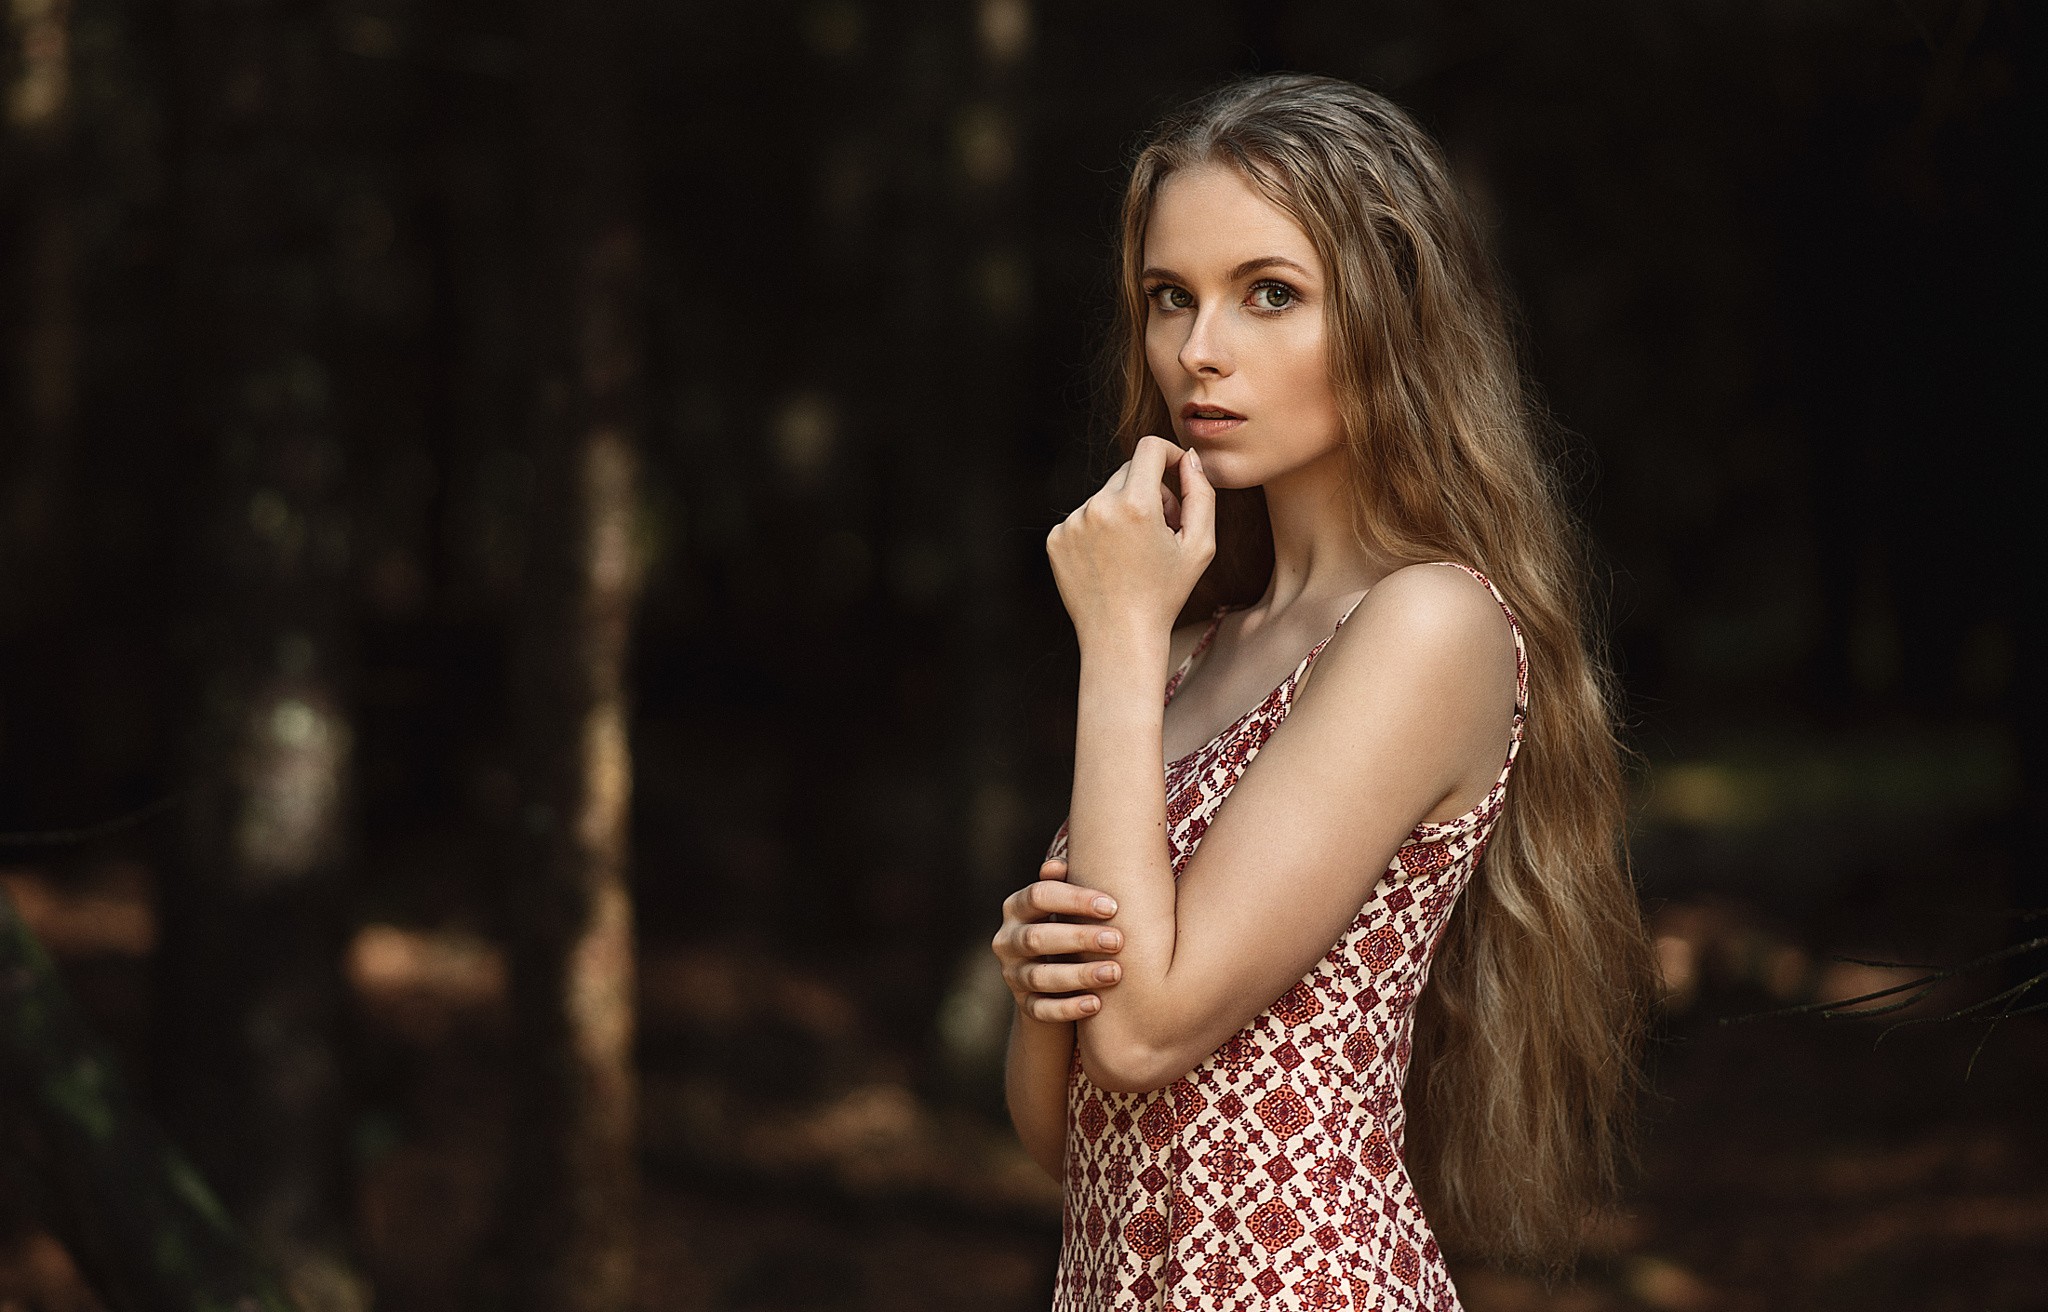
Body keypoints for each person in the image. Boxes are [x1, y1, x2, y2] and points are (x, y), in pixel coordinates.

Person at [988, 73, 1659, 1311]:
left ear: (1392, 317)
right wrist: (1039, 991)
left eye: (1270, 295)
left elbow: (1140, 1034)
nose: (1199, 349)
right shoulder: (1192, 645)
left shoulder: (1429, 624)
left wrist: (1115, 634)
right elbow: (1078, 1143)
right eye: (1168, 297)